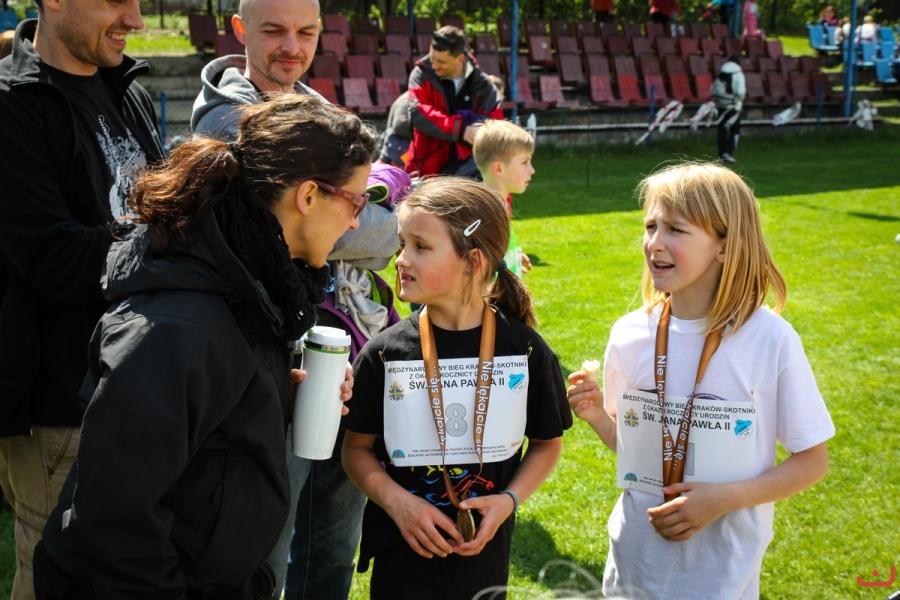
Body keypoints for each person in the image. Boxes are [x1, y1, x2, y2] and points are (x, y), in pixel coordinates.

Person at [34, 94, 379, 599]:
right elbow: (113, 520)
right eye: (356, 202)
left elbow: (206, 428)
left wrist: (276, 398)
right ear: (308, 196)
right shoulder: (178, 326)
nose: (355, 223)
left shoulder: (250, 285)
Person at [190, 1, 400, 596]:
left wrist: (368, 215)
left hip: (339, 353)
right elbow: (369, 233)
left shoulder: (315, 109)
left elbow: (354, 225)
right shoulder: (227, 123)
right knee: (266, 550)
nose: (293, 46)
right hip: (270, 365)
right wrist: (389, 217)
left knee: (333, 545)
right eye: (274, 30)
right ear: (239, 29)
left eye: (306, 31)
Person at [566, 162, 834, 599]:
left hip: (721, 575)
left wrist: (722, 499)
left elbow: (812, 461)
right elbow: (638, 451)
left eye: (675, 229)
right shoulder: (630, 334)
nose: (655, 242)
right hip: (634, 564)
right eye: (651, 226)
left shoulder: (769, 339)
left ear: (725, 247)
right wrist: (598, 416)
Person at [0, 2, 164, 598]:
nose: (135, 19)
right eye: (115, 0)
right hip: (66, 412)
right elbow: (57, 258)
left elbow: (156, 209)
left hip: (144, 390)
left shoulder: (126, 87)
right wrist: (178, 237)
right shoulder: (13, 105)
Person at [342, 176, 572, 599]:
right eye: (402, 244)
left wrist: (508, 500)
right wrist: (397, 503)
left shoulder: (523, 350)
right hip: (401, 561)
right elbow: (355, 449)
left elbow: (547, 443)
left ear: (474, 262)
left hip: (483, 564)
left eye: (421, 246)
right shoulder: (385, 353)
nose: (401, 259)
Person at [406, 26, 503, 178]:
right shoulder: (420, 74)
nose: (434, 65)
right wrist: (460, 130)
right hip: (427, 167)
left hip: (471, 166)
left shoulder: (483, 84)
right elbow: (417, 113)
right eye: (432, 58)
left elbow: (495, 123)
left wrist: (479, 130)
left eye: (441, 62)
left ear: (460, 59)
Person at [472, 119, 535, 278]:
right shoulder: (486, 214)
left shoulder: (498, 205)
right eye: (525, 162)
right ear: (499, 169)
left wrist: (513, 257)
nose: (532, 170)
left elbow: (496, 256)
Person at [710, 54, 746, 164]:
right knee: (735, 129)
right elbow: (741, 91)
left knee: (722, 129)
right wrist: (739, 101)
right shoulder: (738, 74)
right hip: (733, 106)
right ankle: (729, 152)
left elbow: (712, 89)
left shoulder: (720, 73)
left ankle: (720, 154)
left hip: (721, 105)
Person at [378, 90, 412, 168]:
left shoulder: (409, 97)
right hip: (397, 150)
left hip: (393, 149)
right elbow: (400, 125)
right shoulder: (408, 99)